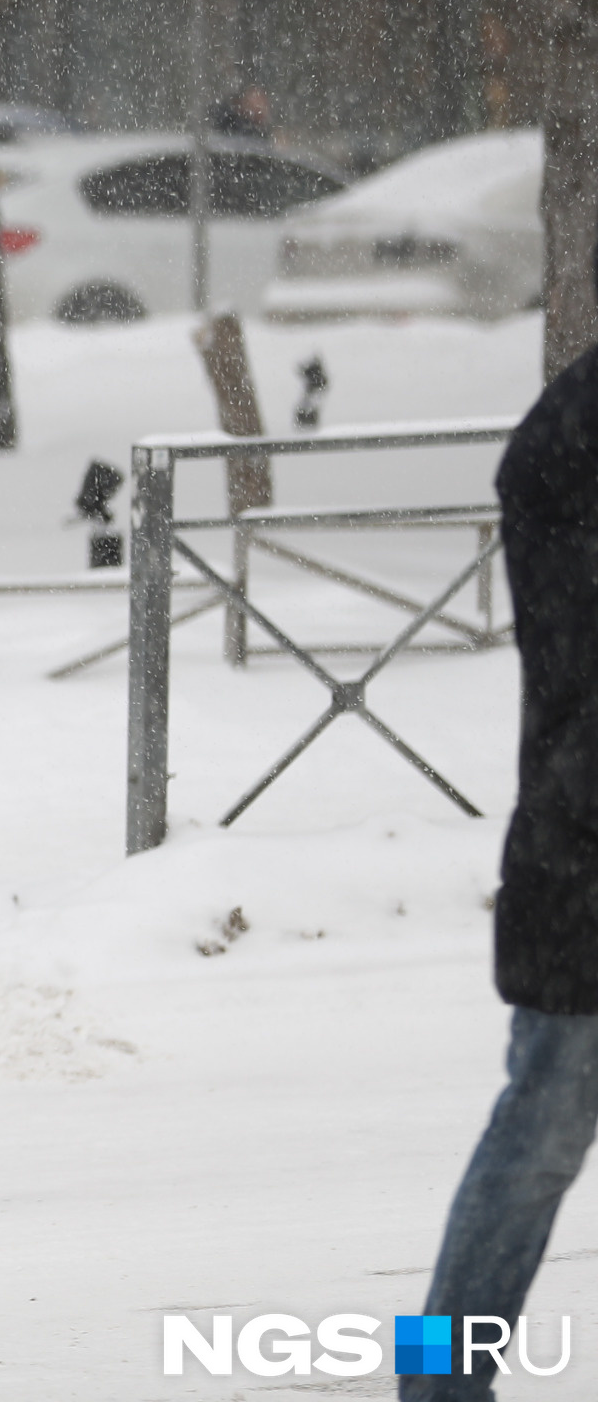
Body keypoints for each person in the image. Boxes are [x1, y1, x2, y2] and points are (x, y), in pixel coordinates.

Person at [405, 324, 598, 1399]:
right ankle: (435, 1379)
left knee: (535, 1138)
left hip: (574, 843)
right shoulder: (569, 445)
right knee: (538, 1138)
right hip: (584, 860)